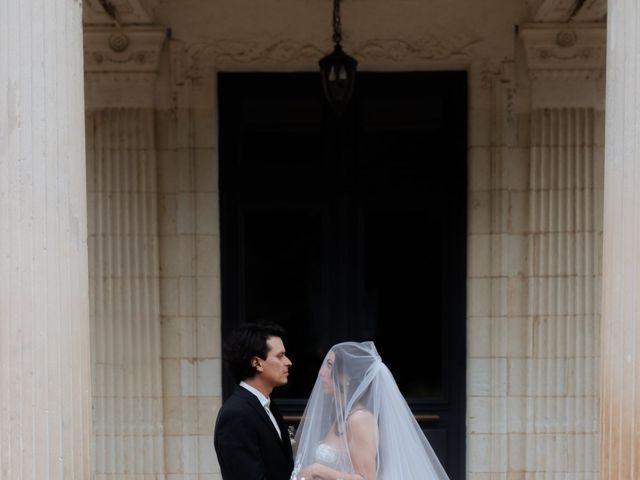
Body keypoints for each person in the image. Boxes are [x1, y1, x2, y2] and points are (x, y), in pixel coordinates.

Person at [291, 341, 449, 480]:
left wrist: (317, 470)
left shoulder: (359, 419)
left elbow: (366, 478)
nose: (321, 372)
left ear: (347, 376)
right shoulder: (340, 415)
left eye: (330, 365)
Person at [214, 323, 294, 480]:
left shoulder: (267, 404)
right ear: (257, 363)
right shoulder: (236, 414)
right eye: (280, 356)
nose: (288, 362)